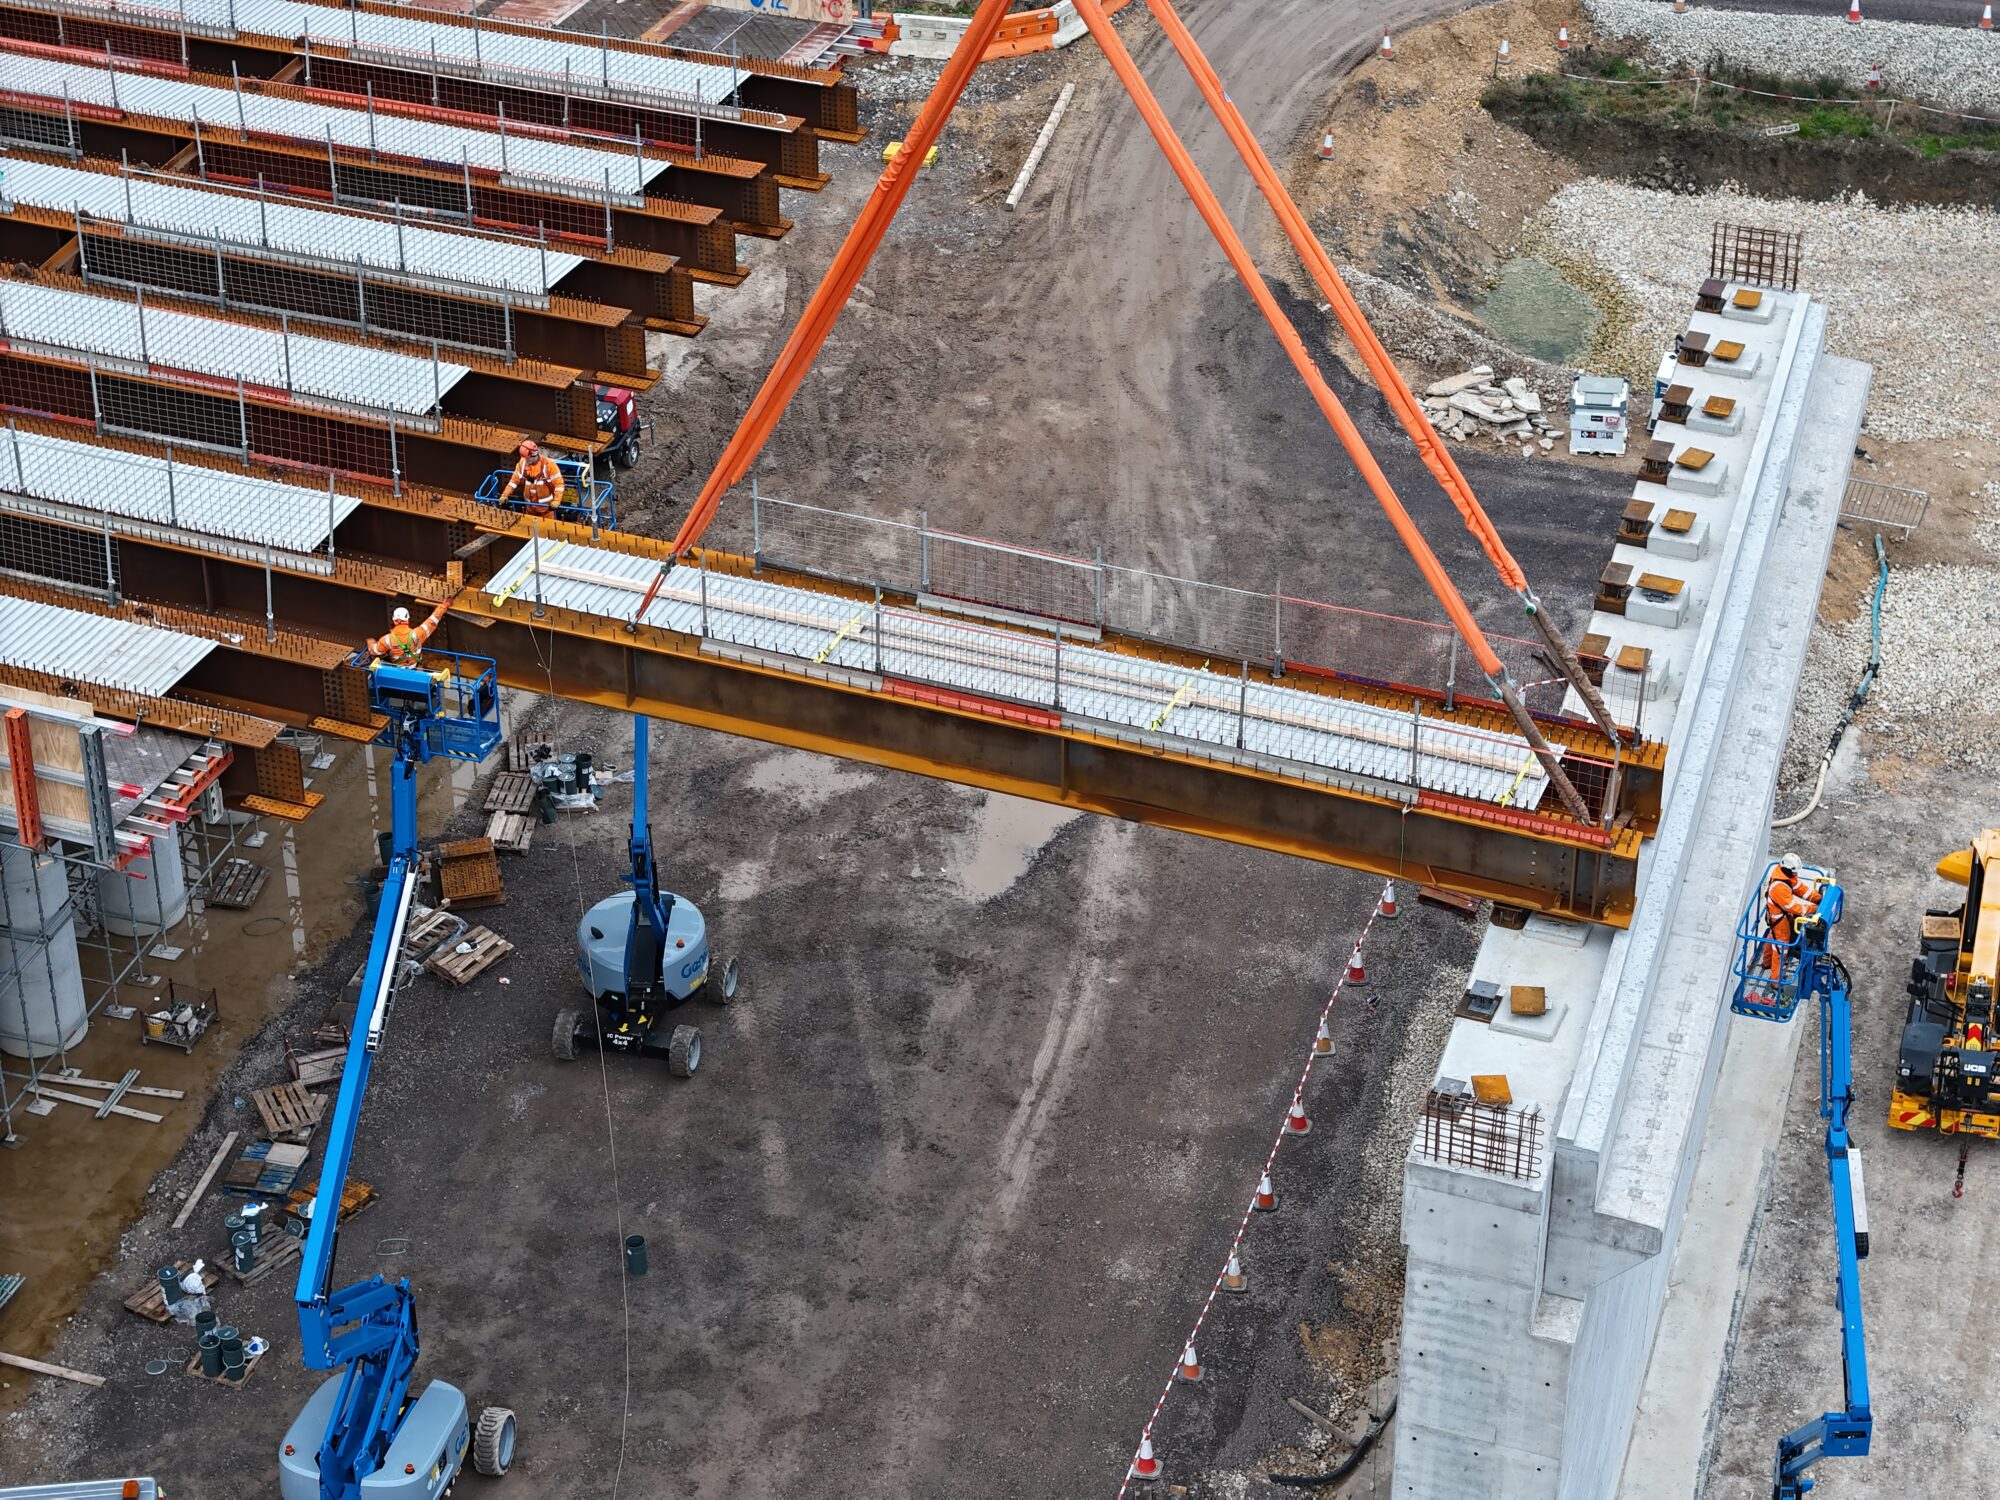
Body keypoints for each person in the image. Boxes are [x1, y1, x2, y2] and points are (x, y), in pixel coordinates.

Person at [1764, 851, 1820, 981]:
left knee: (1772, 937)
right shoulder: (1779, 887)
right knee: (1781, 947)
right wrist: (1814, 909)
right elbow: (1793, 907)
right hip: (1779, 920)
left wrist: (1818, 898)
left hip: (1780, 917)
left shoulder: (1786, 876)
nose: (1797, 874)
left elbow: (1802, 889)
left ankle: (1767, 963)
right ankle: (1776, 981)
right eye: (1794, 872)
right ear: (1787, 869)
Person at [366, 601, 450, 668]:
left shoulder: (387, 639)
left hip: (398, 671)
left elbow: (375, 651)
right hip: (416, 669)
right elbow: (432, 621)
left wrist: (370, 641)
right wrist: (444, 606)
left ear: (394, 621)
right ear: (407, 620)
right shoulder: (417, 633)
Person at [497, 439, 565, 518]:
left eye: (528, 458)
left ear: (534, 454)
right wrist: (505, 494)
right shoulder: (522, 463)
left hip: (546, 509)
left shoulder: (549, 465)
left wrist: (556, 501)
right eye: (525, 458)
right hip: (529, 507)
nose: (526, 460)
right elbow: (514, 481)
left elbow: (559, 485)